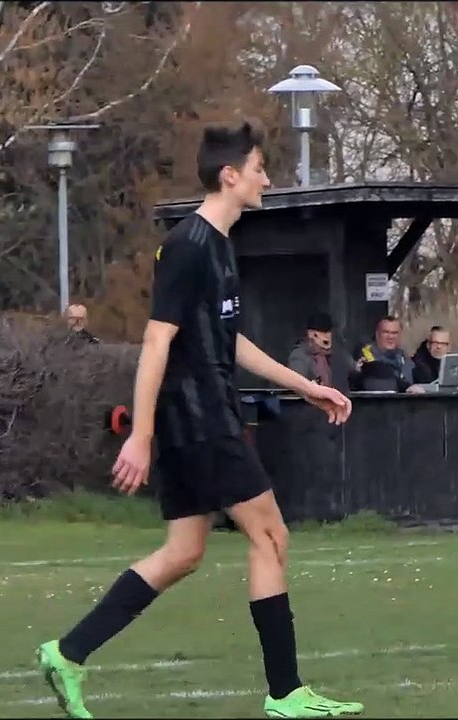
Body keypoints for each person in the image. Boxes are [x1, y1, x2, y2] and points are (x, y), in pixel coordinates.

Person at [33, 120, 364, 719]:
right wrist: (140, 435)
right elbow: (157, 341)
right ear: (230, 175)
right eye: (259, 169)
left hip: (201, 417)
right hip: (200, 419)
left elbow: (228, 341)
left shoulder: (219, 245)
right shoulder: (188, 245)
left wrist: (306, 386)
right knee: (270, 536)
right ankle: (286, 693)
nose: (267, 179)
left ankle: (68, 652)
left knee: (184, 551)